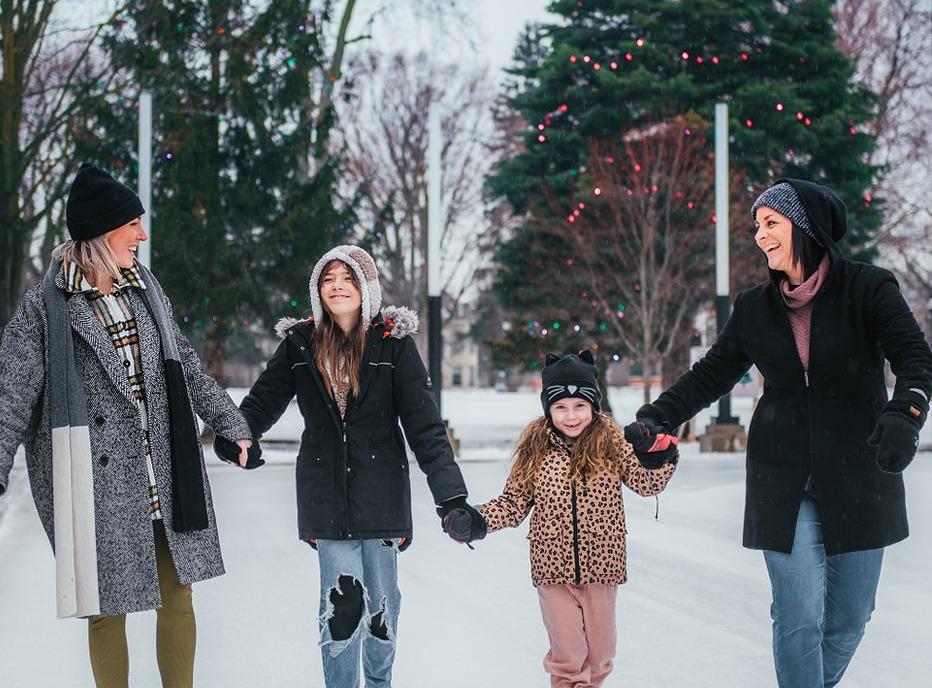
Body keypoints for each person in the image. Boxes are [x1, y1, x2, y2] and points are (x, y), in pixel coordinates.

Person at [626, 178, 932, 688]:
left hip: (859, 472)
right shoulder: (755, 307)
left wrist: (907, 410)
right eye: (756, 226)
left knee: (851, 617)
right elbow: (712, 373)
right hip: (781, 476)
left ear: (804, 226)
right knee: (797, 616)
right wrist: (660, 414)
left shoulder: (869, 288)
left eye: (771, 224)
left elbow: (915, 358)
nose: (760, 236)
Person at [0, 162, 257, 688]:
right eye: (133, 224)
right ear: (102, 232)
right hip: (92, 480)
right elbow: (11, 396)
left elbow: (182, 363)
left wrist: (232, 425)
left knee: (179, 590)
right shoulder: (44, 310)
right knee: (103, 606)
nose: (142, 234)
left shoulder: (144, 289)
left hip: (163, 466)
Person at [222, 245, 481, 688]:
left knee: (380, 613)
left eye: (347, 277)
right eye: (328, 279)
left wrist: (452, 499)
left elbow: (425, 427)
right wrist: (237, 436)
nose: (337, 285)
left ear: (367, 288)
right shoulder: (300, 344)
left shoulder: (393, 345)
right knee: (341, 613)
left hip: (382, 501)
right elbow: (263, 401)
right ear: (317, 291)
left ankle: (379, 684)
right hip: (326, 500)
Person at [452, 351, 677, 688]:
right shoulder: (536, 447)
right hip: (552, 570)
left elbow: (646, 484)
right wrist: (478, 520)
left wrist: (659, 455)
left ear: (593, 406)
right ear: (548, 408)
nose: (571, 416)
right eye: (560, 407)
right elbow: (513, 502)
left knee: (601, 657)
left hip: (602, 567)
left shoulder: (612, 441)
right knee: (568, 658)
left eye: (579, 406)